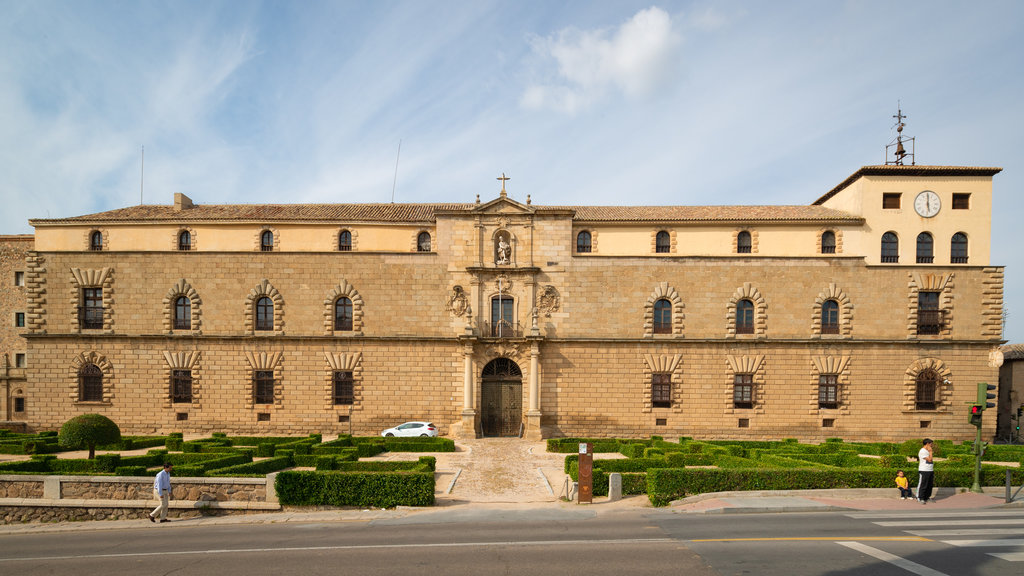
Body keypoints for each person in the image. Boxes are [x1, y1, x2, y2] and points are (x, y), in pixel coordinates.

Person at [916, 439, 934, 504]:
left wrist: (930, 452)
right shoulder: (922, 451)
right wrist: (931, 452)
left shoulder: (927, 451)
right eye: (931, 444)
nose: (932, 445)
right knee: (923, 484)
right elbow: (929, 459)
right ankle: (920, 497)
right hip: (924, 470)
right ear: (927, 444)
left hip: (930, 470)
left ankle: (927, 497)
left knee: (929, 485)